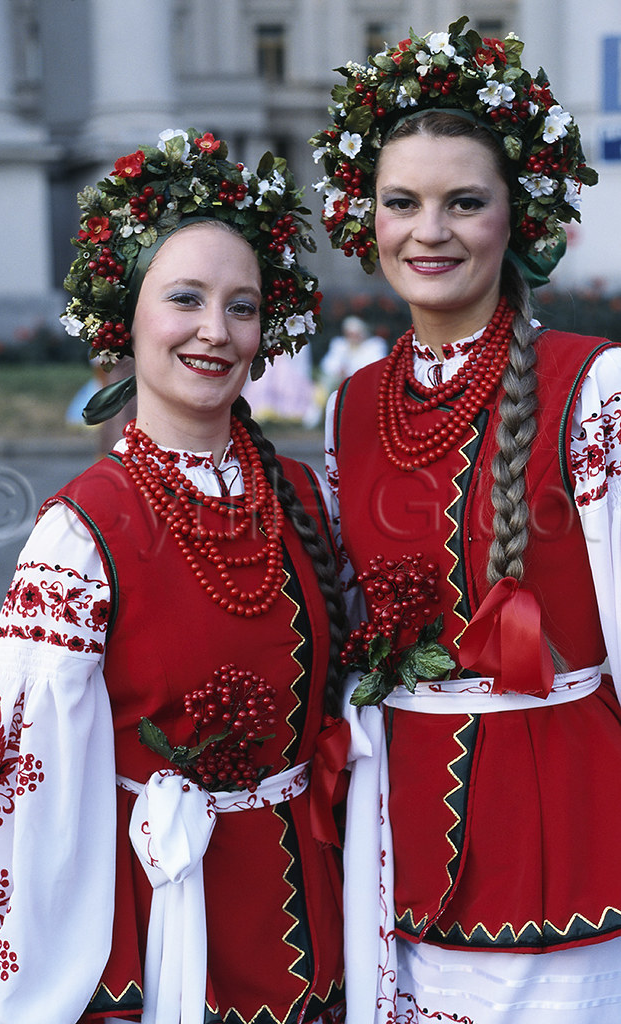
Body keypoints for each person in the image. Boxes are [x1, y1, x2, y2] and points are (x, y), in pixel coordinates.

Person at [0, 128, 348, 1024]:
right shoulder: (78, 533)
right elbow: (16, 787)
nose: (215, 330)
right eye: (186, 299)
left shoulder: (304, 497)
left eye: (241, 306)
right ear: (123, 317)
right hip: (160, 930)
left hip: (312, 929)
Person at [311, 17, 621, 1023]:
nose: (428, 230)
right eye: (401, 202)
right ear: (367, 220)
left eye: (463, 202)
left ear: (514, 217)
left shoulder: (596, 386)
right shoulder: (349, 405)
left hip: (566, 843)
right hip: (393, 845)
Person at [319, 315, 387, 394]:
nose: (353, 337)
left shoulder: (374, 346)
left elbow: (374, 366)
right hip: (340, 383)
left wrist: (350, 371)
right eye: (349, 334)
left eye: (355, 334)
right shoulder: (340, 345)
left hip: (364, 383)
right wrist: (338, 370)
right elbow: (327, 364)